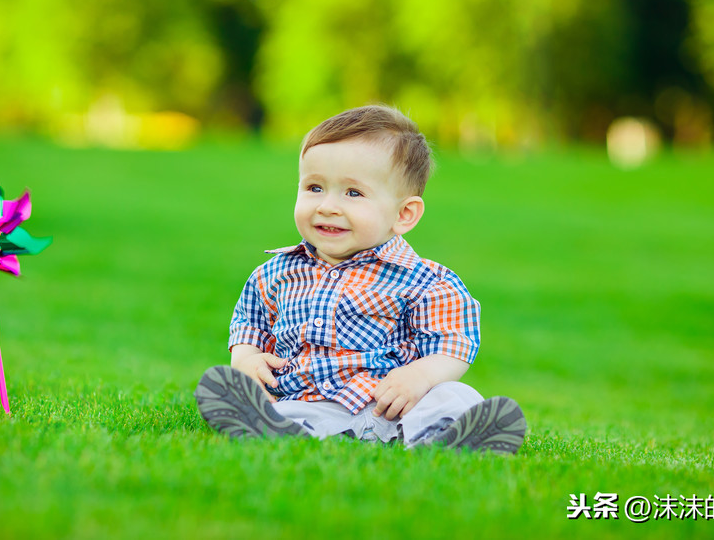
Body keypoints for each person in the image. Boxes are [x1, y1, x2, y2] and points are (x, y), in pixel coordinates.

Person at [194, 105, 526, 453]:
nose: (327, 206)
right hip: (311, 403)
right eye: (314, 188)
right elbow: (249, 324)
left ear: (403, 214)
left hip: (397, 406)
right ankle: (274, 428)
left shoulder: (426, 281)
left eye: (353, 193)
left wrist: (420, 377)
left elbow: (453, 343)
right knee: (281, 409)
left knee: (454, 395)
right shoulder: (276, 274)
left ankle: (444, 439)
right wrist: (246, 359)